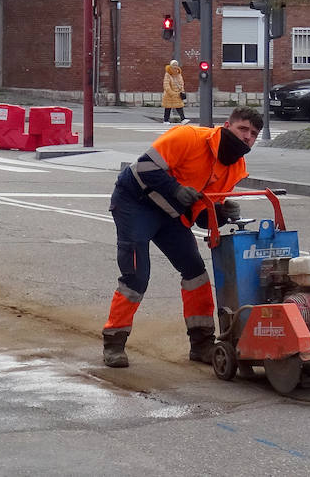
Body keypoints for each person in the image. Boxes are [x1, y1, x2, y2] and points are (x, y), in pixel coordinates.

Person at [101, 106, 263, 368]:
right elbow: (143, 168)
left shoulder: (235, 168)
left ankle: (202, 345)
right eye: (243, 129)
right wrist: (175, 189)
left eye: (253, 134)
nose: (247, 137)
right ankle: (114, 342)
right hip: (135, 202)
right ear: (226, 126)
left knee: (195, 273)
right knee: (136, 275)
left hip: (171, 215)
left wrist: (220, 213)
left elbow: (200, 216)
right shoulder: (189, 137)